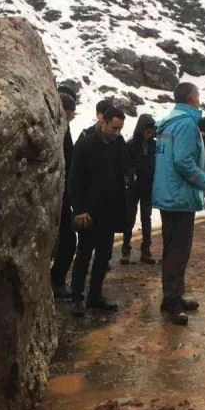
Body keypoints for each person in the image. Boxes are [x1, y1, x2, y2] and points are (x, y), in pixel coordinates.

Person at [152, 82, 205, 326]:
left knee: (172, 247)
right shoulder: (186, 123)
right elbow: (183, 161)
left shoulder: (170, 122)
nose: (200, 98)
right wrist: (203, 179)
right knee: (179, 249)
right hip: (180, 196)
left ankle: (173, 295)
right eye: (198, 94)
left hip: (169, 194)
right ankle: (172, 301)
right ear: (192, 98)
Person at [68, 105, 128, 316]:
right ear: (103, 122)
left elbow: (121, 175)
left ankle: (95, 296)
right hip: (89, 213)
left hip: (109, 212)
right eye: (114, 128)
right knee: (84, 255)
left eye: (120, 129)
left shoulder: (119, 144)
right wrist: (79, 209)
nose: (117, 132)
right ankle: (77, 298)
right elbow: (74, 180)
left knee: (104, 257)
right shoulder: (85, 144)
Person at [50, 91, 77, 299]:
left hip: (63, 195)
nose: (73, 115)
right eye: (70, 111)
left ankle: (55, 280)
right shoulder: (56, 129)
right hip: (56, 196)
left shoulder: (62, 128)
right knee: (67, 241)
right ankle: (56, 281)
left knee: (66, 240)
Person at [121, 114, 156, 265]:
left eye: (151, 130)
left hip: (148, 186)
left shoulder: (155, 145)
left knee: (146, 219)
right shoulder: (131, 144)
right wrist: (131, 175)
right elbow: (125, 165)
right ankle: (125, 250)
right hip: (134, 187)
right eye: (147, 130)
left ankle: (146, 251)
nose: (149, 133)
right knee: (129, 218)